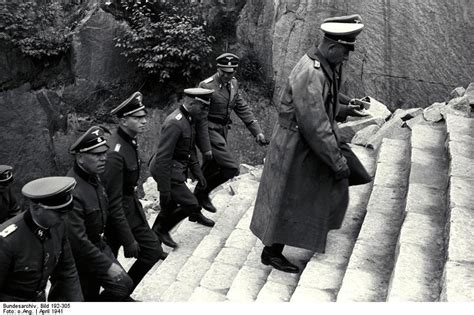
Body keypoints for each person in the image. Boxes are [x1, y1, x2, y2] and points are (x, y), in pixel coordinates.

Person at [250, 15, 368, 273]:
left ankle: (316, 227)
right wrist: (336, 160)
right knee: (288, 196)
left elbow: (326, 101)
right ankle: (271, 252)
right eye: (346, 52)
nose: (347, 58)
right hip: (295, 146)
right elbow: (314, 123)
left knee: (332, 183)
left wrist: (348, 108)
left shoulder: (323, 66)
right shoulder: (311, 72)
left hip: (304, 141)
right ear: (333, 47)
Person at [102, 92, 166, 293]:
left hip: (131, 210)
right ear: (123, 120)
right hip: (118, 217)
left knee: (151, 252)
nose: (144, 121)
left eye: (144, 116)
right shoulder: (115, 152)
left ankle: (118, 297)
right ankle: (113, 299)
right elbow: (113, 201)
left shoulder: (129, 140)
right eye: (137, 118)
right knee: (104, 269)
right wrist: (129, 240)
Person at [194, 53, 269, 215]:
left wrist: (258, 132)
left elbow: (242, 108)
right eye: (224, 72)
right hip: (208, 131)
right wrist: (204, 145)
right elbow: (199, 117)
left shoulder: (234, 84)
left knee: (210, 168)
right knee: (231, 168)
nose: (227, 75)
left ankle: (194, 209)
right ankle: (201, 194)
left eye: (231, 72)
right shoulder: (206, 86)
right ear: (218, 69)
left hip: (222, 131)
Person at [66, 126, 134, 301]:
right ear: (80, 158)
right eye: (97, 155)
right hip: (80, 258)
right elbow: (78, 241)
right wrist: (107, 265)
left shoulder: (93, 176)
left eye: (104, 152)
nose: (104, 158)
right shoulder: (73, 190)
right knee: (87, 296)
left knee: (125, 285)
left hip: (98, 245)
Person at [0, 176, 83, 301]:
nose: (64, 218)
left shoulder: (58, 226)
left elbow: (67, 269)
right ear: (37, 209)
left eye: (66, 212)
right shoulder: (7, 240)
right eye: (59, 213)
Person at [149, 88, 214, 248]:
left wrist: (198, 173)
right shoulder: (175, 123)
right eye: (203, 107)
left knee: (171, 204)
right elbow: (164, 158)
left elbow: (189, 149)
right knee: (191, 204)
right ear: (191, 103)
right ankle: (160, 230)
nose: (205, 112)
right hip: (166, 170)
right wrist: (164, 189)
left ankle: (154, 240)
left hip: (176, 168)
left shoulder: (189, 119)